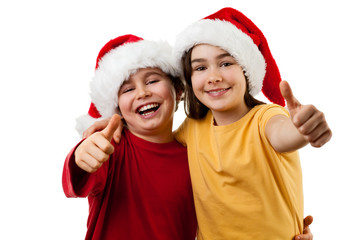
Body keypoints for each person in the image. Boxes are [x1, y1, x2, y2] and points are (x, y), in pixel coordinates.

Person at [171, 7, 332, 240]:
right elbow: (154, 150)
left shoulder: (265, 118)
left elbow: (282, 133)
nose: (213, 76)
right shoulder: (192, 128)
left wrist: (303, 129)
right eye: (200, 67)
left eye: (226, 63)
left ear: (247, 71)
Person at [62, 34, 197, 240]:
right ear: (117, 108)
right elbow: (77, 181)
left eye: (152, 81)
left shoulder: (196, 156)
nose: (142, 93)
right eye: (128, 89)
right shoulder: (111, 148)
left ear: (178, 90)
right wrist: (81, 156)